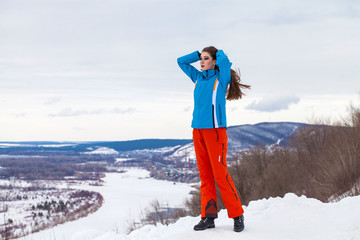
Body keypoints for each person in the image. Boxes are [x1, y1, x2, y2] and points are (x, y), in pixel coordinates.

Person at [177, 46, 250, 232]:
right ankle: (208, 217)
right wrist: (196, 54)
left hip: (215, 132)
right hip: (198, 131)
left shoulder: (221, 77)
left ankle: (237, 215)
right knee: (205, 175)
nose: (201, 62)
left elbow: (225, 62)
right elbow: (181, 61)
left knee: (220, 175)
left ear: (215, 61)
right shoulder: (198, 77)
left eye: (206, 58)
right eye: (201, 59)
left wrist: (218, 53)